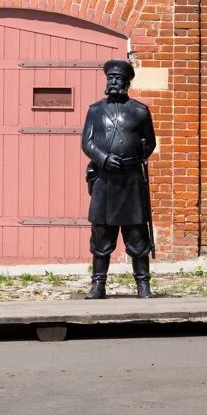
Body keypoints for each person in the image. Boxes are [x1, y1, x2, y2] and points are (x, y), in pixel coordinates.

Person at [81, 59, 156, 299]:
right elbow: (87, 142)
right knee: (101, 235)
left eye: (119, 79)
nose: (114, 82)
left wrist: (142, 151)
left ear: (127, 82)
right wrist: (103, 159)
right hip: (105, 181)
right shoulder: (95, 111)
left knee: (137, 235)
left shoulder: (140, 111)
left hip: (131, 181)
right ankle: (98, 284)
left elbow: (150, 142)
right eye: (111, 78)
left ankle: (143, 284)